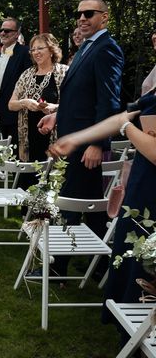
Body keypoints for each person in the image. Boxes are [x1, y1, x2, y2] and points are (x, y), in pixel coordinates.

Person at [48, 92, 156, 336]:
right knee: (130, 259)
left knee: (145, 266)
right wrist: (76, 139)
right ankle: (129, 331)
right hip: (141, 187)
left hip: (152, 192)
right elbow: (120, 118)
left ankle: (140, 336)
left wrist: (127, 127)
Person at [38, 0, 124, 277]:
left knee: (71, 202)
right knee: (91, 204)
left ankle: (60, 267)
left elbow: (108, 102)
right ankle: (100, 266)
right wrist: (56, 116)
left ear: (104, 17)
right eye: (80, 14)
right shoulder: (87, 48)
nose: (83, 18)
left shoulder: (106, 49)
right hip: (74, 138)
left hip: (86, 143)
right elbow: (79, 97)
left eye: (90, 13)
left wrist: (98, 144)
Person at [8, 33, 68, 162]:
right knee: (30, 177)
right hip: (29, 137)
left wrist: (55, 107)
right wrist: (24, 102)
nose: (36, 52)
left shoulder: (64, 72)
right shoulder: (26, 74)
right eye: (33, 49)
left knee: (53, 176)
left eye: (40, 48)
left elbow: (75, 104)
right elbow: (11, 104)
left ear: (52, 50)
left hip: (55, 134)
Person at [0, 17, 32, 147]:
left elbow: (28, 82)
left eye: (7, 30)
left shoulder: (24, 52)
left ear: (17, 33)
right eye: (1, 30)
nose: (3, 33)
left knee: (14, 153)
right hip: (0, 112)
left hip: (16, 114)